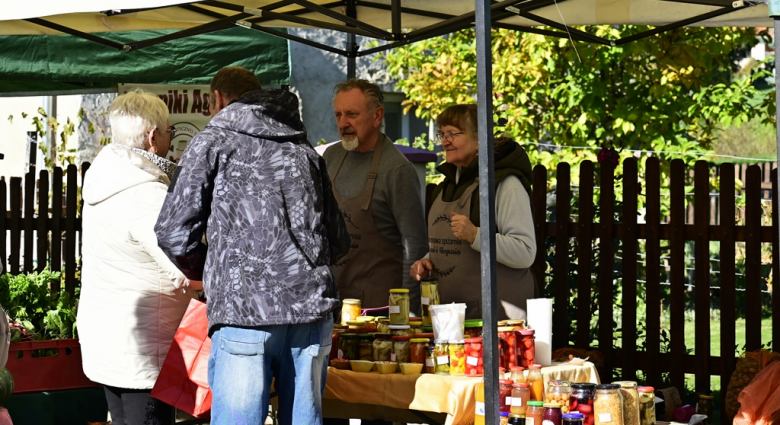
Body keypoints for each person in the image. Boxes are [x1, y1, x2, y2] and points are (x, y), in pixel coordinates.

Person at [154, 66, 349, 425]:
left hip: (245, 310)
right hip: (309, 311)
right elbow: (338, 239)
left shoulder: (213, 141)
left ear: (217, 99)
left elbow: (172, 232)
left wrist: (215, 271)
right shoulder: (303, 147)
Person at [78, 89, 202, 425]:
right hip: (143, 346)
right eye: (168, 132)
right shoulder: (145, 194)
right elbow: (184, 263)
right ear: (152, 137)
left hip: (109, 332)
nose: (169, 141)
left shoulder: (105, 176)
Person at [410, 104, 537, 320]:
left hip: (498, 320)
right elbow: (452, 246)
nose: (444, 141)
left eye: (453, 133)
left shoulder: (506, 185)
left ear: (480, 139)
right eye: (443, 133)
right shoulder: (445, 188)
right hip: (453, 317)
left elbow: (525, 251)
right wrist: (427, 260)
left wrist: (476, 236)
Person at [324, 79, 428, 315]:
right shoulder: (330, 157)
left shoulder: (396, 170)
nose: (343, 123)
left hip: (376, 310)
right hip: (331, 301)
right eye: (338, 114)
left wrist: (407, 314)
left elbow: (414, 245)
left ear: (377, 115)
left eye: (352, 114)